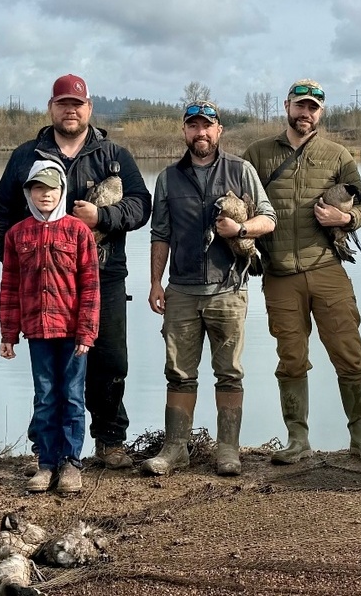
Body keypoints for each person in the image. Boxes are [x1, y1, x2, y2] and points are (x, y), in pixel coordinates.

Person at [0, 74, 151, 471]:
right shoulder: (26, 155)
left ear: (89, 108)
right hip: (43, 284)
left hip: (105, 275)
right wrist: (16, 262)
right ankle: (45, 449)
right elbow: (4, 212)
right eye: (63, 103)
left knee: (110, 361)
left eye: (77, 104)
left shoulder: (114, 154)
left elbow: (141, 206)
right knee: (49, 372)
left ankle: (110, 440)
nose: (71, 110)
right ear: (51, 107)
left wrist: (104, 216)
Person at [241, 79, 361, 465]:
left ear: (321, 112)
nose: (306, 113)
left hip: (327, 269)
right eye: (300, 105)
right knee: (290, 358)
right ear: (286, 105)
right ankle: (297, 439)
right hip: (279, 275)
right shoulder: (257, 154)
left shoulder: (338, 156)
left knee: (349, 354)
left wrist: (347, 217)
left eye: (313, 108)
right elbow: (241, 202)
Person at [143, 100, 276, 477]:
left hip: (229, 289)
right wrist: (155, 281)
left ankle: (228, 451)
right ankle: (174, 450)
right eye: (193, 126)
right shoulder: (168, 178)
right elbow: (160, 233)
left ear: (219, 131)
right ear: (184, 131)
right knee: (179, 373)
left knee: (230, 372)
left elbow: (269, 218)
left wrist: (241, 230)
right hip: (182, 291)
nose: (200, 133)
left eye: (207, 126)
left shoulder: (241, 170)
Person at [0, 160, 101, 494]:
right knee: (44, 397)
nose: (45, 195)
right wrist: (8, 334)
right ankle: (45, 463)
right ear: (29, 192)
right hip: (37, 332)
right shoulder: (18, 234)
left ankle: (71, 463)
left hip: (73, 334)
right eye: (38, 188)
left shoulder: (78, 231)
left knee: (72, 396)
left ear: (62, 192)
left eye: (51, 189)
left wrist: (87, 331)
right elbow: (9, 286)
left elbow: (90, 286)